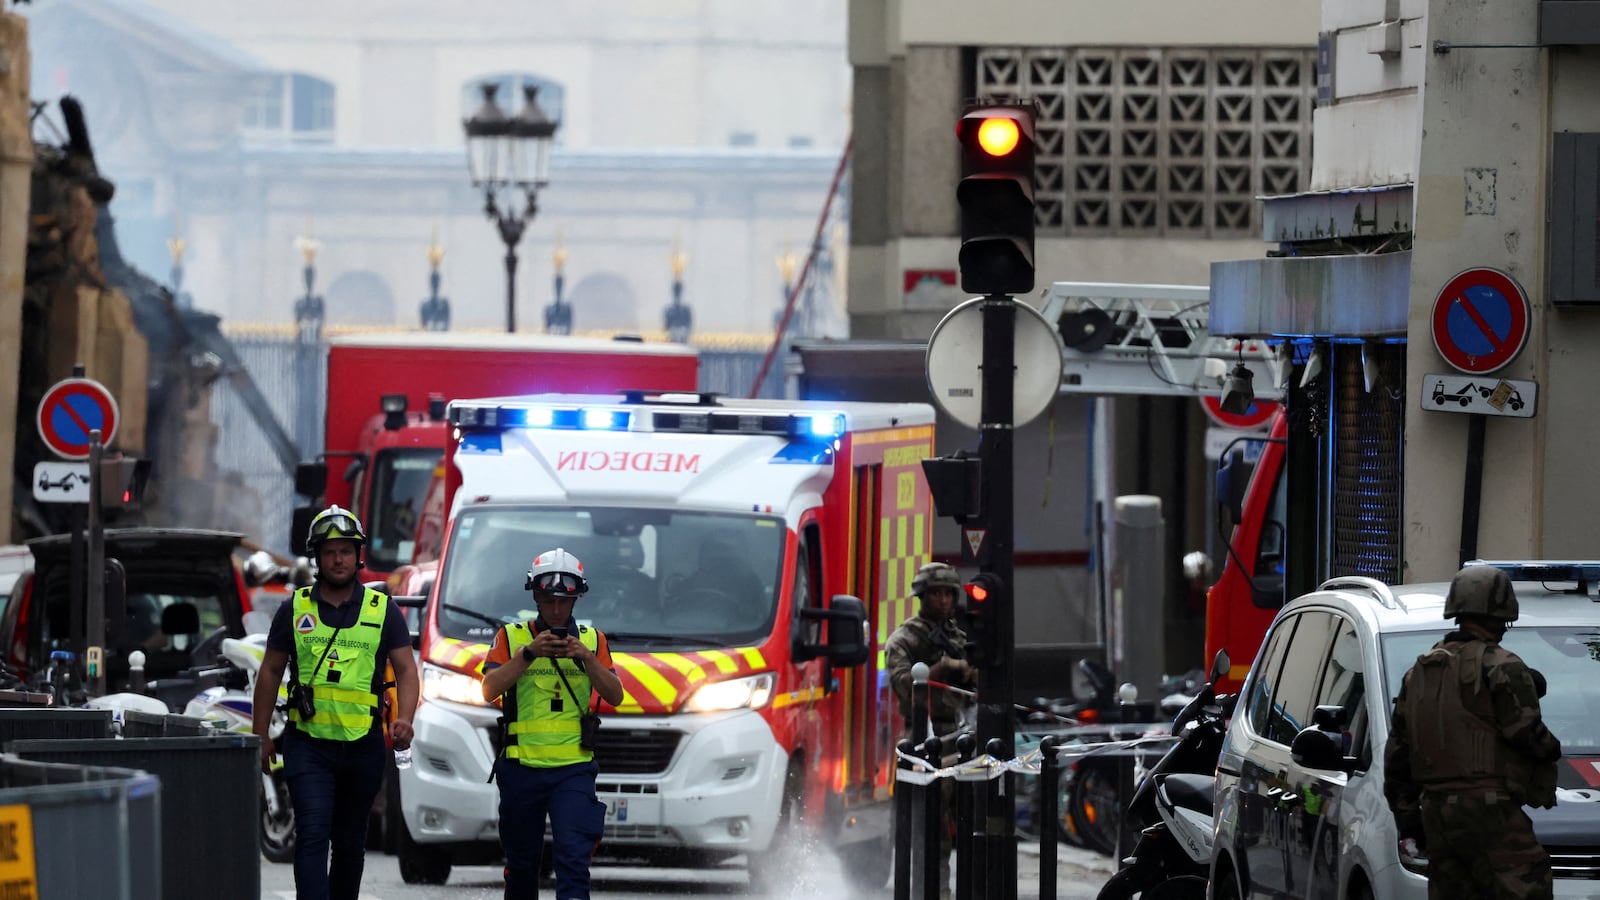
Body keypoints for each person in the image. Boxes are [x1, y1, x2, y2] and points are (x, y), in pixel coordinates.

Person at [254, 505, 419, 900]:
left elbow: (407, 671)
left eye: (346, 550)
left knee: (349, 843)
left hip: (362, 746)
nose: (338, 559)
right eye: (329, 552)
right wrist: (260, 734)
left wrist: (406, 718)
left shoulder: (384, 611)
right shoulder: (295, 608)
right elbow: (271, 671)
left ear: (358, 554)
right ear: (317, 557)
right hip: (308, 744)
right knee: (312, 834)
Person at [1384, 564, 1562, 900]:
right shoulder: (1501, 665)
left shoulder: (1418, 674)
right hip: (1490, 813)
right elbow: (1529, 735)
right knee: (1527, 887)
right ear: (1503, 612)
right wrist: (1553, 748)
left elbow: (1397, 760)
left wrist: (1409, 821)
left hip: (1437, 816)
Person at [480, 547, 625, 900]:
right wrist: (528, 655)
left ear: (576, 599)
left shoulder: (593, 641)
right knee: (522, 867)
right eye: (548, 601)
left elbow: (616, 694)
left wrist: (587, 660)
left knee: (574, 863)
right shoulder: (512, 637)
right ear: (535, 597)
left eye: (564, 601)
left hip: (573, 771)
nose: (556, 609)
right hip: (520, 770)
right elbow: (489, 689)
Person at [884, 562, 978, 900]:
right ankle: (931, 891)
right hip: (922, 738)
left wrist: (967, 670)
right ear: (922, 596)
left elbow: (984, 678)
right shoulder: (905, 639)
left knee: (969, 824)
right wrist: (939, 669)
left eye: (947, 594)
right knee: (929, 829)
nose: (942, 600)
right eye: (935, 593)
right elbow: (904, 686)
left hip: (960, 734)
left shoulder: (958, 635)